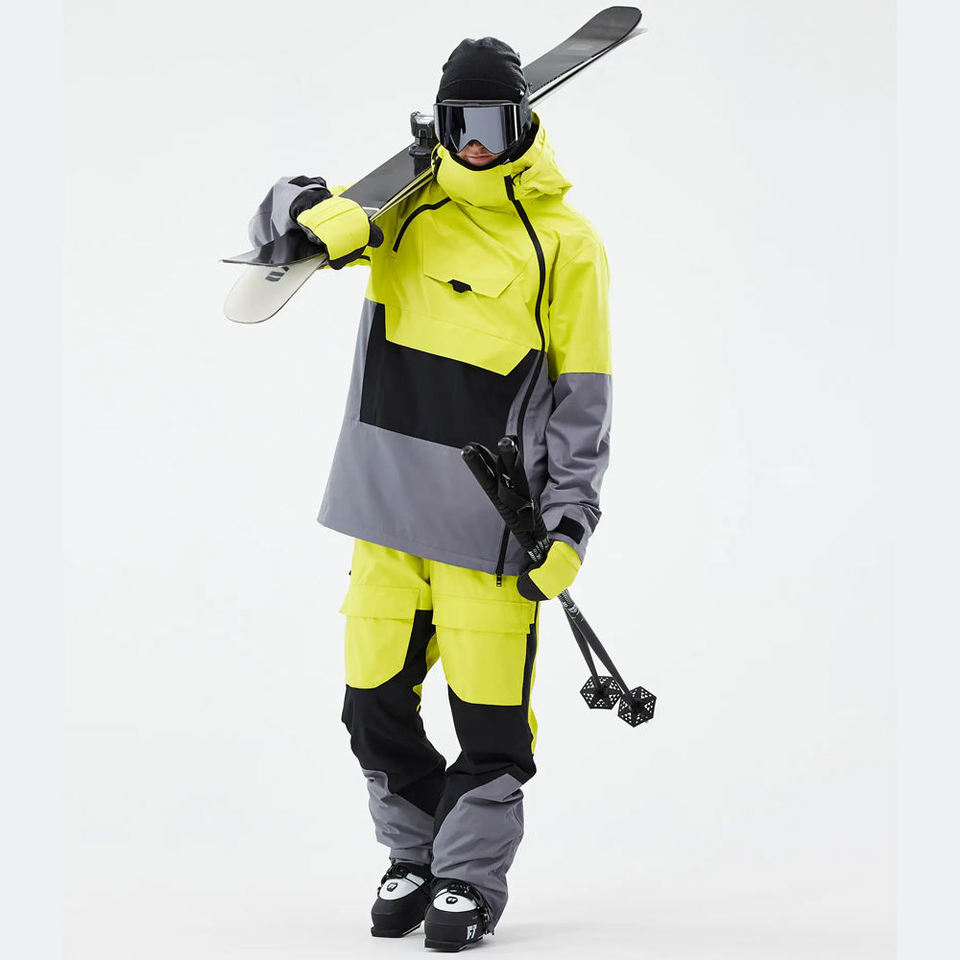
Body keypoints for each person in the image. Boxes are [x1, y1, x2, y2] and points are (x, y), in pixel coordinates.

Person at [248, 36, 612, 952]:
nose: (476, 144)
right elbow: (273, 215)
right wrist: (310, 209)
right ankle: (413, 853)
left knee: (491, 724)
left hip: (490, 528)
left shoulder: (567, 244)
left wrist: (570, 521)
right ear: (440, 128)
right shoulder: (402, 211)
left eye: (493, 123)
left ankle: (468, 879)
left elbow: (583, 401)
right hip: (382, 516)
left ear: (524, 122)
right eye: (460, 125)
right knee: (371, 708)